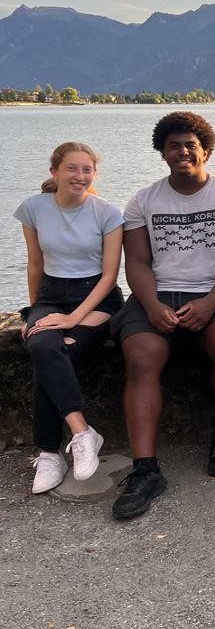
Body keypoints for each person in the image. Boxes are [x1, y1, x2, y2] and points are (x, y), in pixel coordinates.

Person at [110, 111, 215, 519]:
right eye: (173, 145)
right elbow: (136, 262)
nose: (182, 151)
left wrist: (210, 303)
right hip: (156, 295)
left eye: (190, 144)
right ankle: (145, 469)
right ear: (162, 151)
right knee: (142, 358)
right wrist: (153, 305)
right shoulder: (143, 201)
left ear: (205, 149)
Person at [14, 142, 124, 493]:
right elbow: (35, 264)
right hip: (52, 294)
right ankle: (81, 432)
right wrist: (35, 315)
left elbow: (109, 276)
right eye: (72, 168)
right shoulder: (33, 209)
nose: (80, 176)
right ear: (55, 171)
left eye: (87, 170)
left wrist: (73, 317)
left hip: (98, 299)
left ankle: (48, 450)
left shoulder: (107, 213)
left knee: (53, 352)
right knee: (44, 344)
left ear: (94, 174)